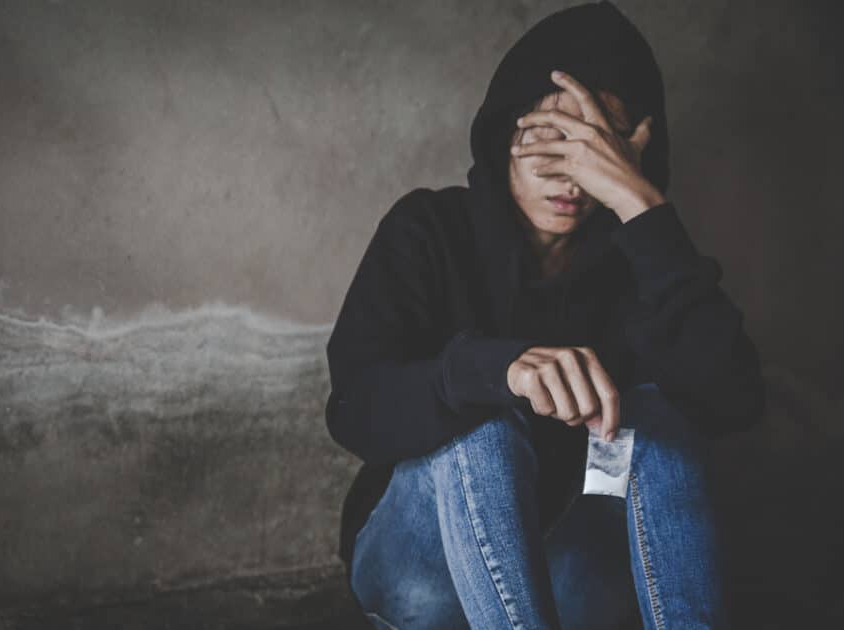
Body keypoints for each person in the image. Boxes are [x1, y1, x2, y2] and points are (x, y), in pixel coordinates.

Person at [323, 1, 765, 628]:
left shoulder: (639, 259)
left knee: (661, 411)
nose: (571, 173)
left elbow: (734, 398)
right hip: (422, 567)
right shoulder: (430, 228)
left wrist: (642, 206)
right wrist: (493, 371)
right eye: (552, 136)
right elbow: (352, 408)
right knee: (483, 426)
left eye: (597, 147)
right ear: (507, 132)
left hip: (568, 569)